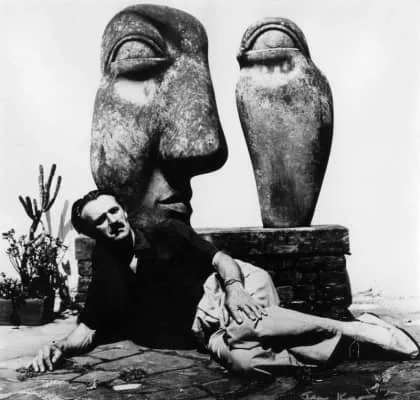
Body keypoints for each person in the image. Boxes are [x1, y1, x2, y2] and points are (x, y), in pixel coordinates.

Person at [30, 191, 419, 375]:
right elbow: (88, 327)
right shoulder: (107, 268)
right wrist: (58, 346)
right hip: (205, 329)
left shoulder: (164, 230)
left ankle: (352, 329)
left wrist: (234, 289)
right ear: (92, 232)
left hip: (225, 287)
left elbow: (220, 259)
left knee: (255, 322)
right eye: (101, 220)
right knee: (245, 360)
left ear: (123, 210)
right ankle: (347, 344)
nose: (113, 221)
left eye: (114, 210)